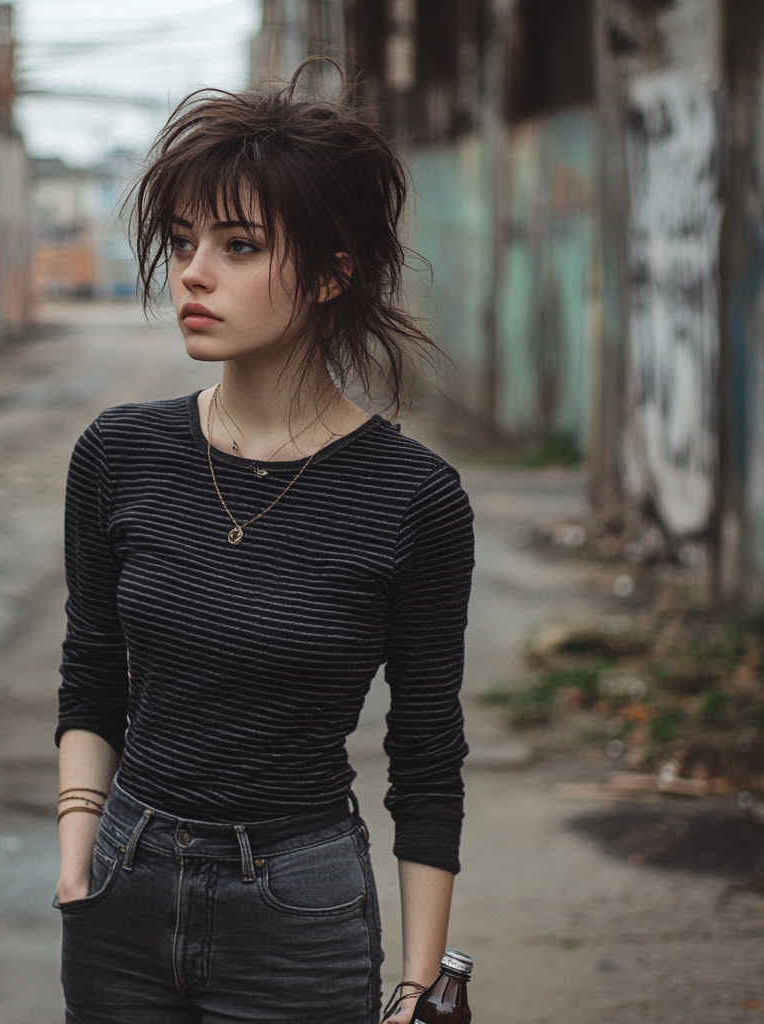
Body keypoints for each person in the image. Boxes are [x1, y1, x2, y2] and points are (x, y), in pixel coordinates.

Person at [54, 67, 474, 1024]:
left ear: (333, 271)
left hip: (299, 904)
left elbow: (425, 752)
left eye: (239, 246)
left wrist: (415, 986)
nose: (193, 273)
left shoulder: (414, 499)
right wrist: (79, 844)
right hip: (122, 882)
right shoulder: (119, 452)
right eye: (185, 241)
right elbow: (91, 665)